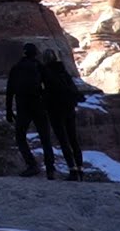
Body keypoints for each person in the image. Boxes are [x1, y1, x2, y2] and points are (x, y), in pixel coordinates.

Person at [5, 42, 56, 179]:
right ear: (35, 53)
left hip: (23, 107)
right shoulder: (39, 67)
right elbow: (50, 86)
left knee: (20, 137)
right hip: (39, 106)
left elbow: (10, 91)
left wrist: (9, 111)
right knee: (45, 138)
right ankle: (50, 169)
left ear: (24, 53)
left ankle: (32, 165)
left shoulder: (16, 68)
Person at [41, 49, 86, 181]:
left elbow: (45, 91)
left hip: (55, 109)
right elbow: (72, 87)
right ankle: (80, 170)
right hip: (69, 107)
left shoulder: (45, 72)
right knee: (73, 139)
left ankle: (72, 170)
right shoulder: (63, 70)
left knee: (63, 140)